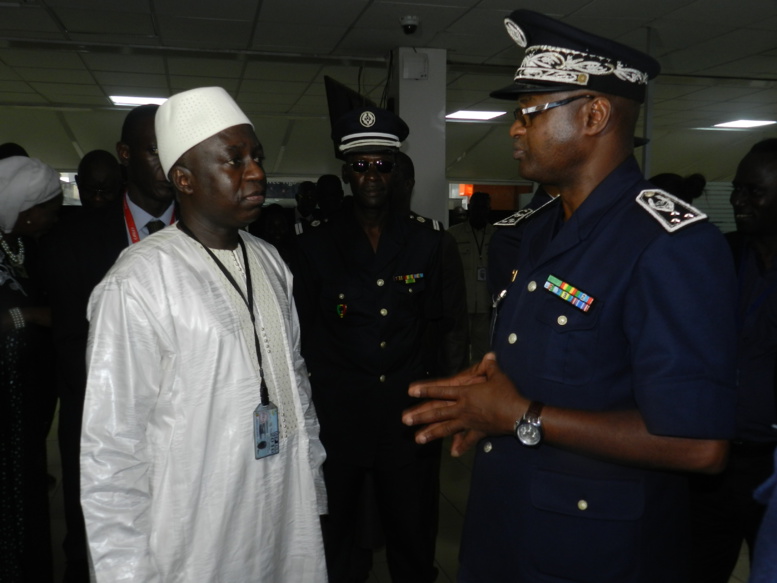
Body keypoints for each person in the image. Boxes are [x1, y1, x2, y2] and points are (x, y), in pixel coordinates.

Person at [402, 10, 738, 582]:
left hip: (594, 552)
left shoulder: (670, 245)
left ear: (595, 115)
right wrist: (488, 399)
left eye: (529, 113)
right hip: (509, 528)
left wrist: (521, 416)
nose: (514, 128)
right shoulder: (535, 230)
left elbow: (698, 444)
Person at [79, 86, 326, 582]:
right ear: (184, 179)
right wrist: (126, 573)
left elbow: (297, 383)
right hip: (195, 539)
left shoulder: (270, 260)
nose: (255, 172)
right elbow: (111, 451)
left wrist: (312, 490)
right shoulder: (139, 282)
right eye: (233, 161)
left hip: (284, 516)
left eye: (255, 156)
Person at [293, 106, 456, 583]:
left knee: (412, 538)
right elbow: (300, 339)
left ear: (396, 170)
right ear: (345, 173)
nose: (371, 176)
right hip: (337, 422)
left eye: (382, 165)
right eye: (361, 165)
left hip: (406, 421)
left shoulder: (427, 243)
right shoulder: (313, 247)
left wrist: (446, 405)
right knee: (336, 543)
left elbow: (443, 329)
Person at [39, 103, 177, 583]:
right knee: (97, 547)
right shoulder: (74, 240)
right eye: (155, 151)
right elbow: (71, 343)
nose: (170, 161)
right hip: (103, 424)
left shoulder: (210, 233)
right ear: (126, 155)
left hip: (186, 431)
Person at [689, 138, 777, 583]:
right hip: (713, 462)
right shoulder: (719, 255)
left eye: (753, 191)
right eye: (736, 189)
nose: (738, 200)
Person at [0, 156, 62, 583]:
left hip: (27, 395)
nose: (56, 216)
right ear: (27, 209)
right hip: (3, 398)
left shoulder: (26, 245)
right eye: (52, 208)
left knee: (27, 494)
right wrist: (35, 316)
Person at [447, 191, 497, 363]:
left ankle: (478, 384)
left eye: (485, 208)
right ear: (470, 208)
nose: (481, 211)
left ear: (489, 210)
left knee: (482, 351)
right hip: (461, 305)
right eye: (477, 207)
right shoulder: (454, 235)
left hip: (485, 305)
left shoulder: (497, 235)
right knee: (457, 349)